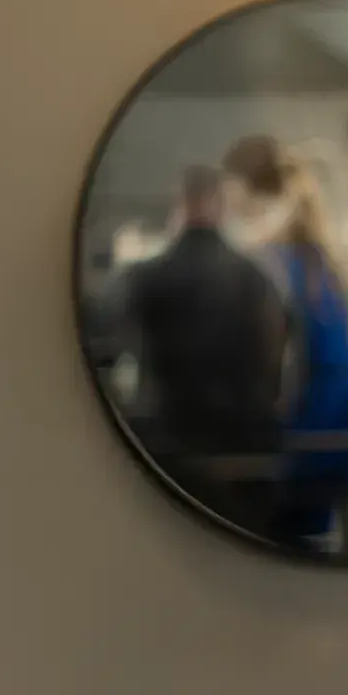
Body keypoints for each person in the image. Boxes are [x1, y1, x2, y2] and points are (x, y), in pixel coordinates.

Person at [220, 134, 348, 551]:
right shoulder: (320, 258)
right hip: (340, 434)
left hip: (301, 439)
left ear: (243, 188)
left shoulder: (270, 262)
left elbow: (269, 362)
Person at [122, 164, 289, 534]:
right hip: (246, 454)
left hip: (170, 455)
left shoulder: (144, 279)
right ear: (221, 207)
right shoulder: (256, 279)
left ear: (179, 207)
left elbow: (120, 351)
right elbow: (276, 365)